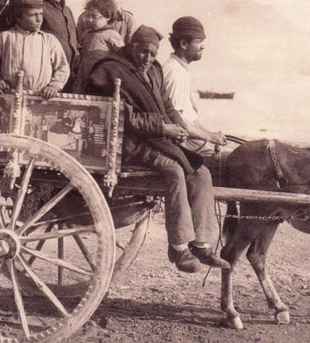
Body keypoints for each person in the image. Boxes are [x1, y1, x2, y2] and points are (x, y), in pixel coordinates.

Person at [84, 25, 229, 273]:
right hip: (127, 143)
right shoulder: (112, 69)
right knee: (174, 169)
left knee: (200, 171)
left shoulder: (155, 70)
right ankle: (178, 246)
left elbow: (168, 106)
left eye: (153, 54)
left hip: (155, 138)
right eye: (143, 53)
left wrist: (177, 126)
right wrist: (164, 129)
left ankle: (202, 244)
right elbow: (126, 118)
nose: (148, 59)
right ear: (131, 47)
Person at [0, 0, 70, 98]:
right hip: (9, 96)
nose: (39, 19)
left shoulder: (49, 40)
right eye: (33, 15)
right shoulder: (5, 37)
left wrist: (54, 86)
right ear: (18, 18)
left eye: (41, 14)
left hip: (40, 97)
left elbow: (62, 67)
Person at [163, 16, 228, 156]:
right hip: (179, 143)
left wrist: (210, 135)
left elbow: (189, 118)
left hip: (188, 139)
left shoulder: (181, 70)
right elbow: (178, 121)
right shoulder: (174, 73)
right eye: (199, 42)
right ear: (184, 44)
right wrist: (209, 137)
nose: (203, 46)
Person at [37, 0, 78, 83]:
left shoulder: (67, 10)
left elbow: (75, 38)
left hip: (70, 73)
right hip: (49, 72)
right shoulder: (39, 8)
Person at [73, 0, 124, 93]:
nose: (90, 20)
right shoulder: (86, 34)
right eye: (88, 16)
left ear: (107, 17)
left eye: (94, 16)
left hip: (100, 79)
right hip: (83, 76)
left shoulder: (112, 35)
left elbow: (122, 55)